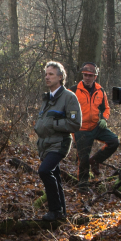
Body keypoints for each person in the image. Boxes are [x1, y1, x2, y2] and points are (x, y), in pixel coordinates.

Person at [33, 61, 83, 222]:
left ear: (60, 77)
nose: (47, 77)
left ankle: (54, 211)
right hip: (46, 144)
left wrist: (53, 124)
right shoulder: (47, 98)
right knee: (55, 175)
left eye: (51, 74)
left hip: (59, 143)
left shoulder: (69, 97)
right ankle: (62, 214)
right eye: (46, 74)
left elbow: (75, 124)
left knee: (44, 171)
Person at [73, 63, 120, 183]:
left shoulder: (100, 90)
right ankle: (83, 186)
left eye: (90, 75)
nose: (87, 78)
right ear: (82, 75)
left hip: (96, 126)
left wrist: (104, 118)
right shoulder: (73, 90)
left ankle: (95, 160)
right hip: (81, 129)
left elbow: (106, 108)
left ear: (95, 77)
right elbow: (66, 108)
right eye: (85, 75)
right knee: (82, 160)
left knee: (114, 141)